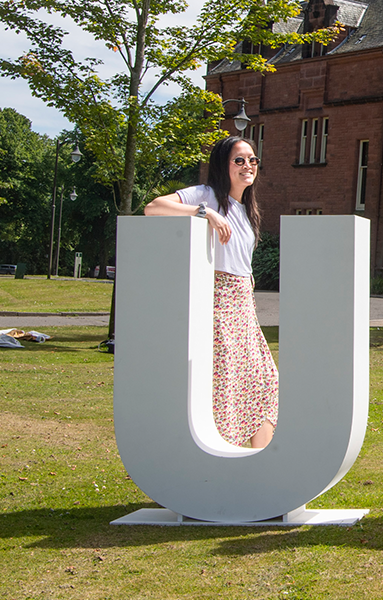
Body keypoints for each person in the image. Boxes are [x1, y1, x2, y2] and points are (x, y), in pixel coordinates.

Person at [144, 136, 278, 449]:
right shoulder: (207, 196)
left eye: (253, 160)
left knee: (264, 379)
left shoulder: (246, 209)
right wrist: (205, 212)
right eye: (239, 160)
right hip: (220, 301)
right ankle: (225, 454)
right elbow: (154, 207)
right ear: (223, 164)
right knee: (226, 383)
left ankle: (259, 461)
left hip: (244, 302)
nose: (248, 166)